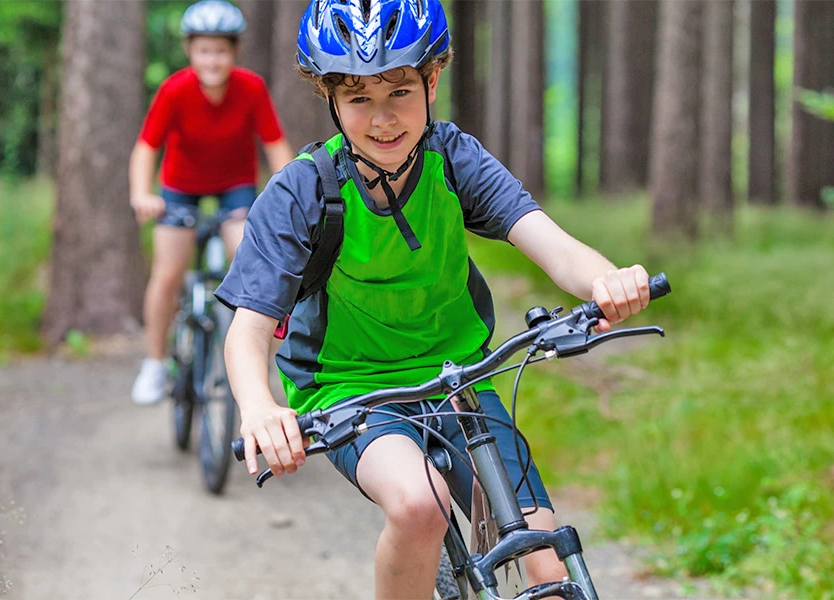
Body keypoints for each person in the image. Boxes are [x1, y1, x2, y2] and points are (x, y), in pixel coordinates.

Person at [216, 0, 651, 597]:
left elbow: (553, 246)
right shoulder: (304, 189)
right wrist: (261, 409)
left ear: (433, 79)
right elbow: (247, 332)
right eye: (359, 98)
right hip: (351, 391)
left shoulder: (454, 159)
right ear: (330, 98)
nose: (383, 118)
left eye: (399, 91)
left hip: (461, 378)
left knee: (549, 565)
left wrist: (606, 280)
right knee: (420, 504)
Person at [130, 0, 293, 405]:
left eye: (220, 50)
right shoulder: (174, 90)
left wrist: (288, 194)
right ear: (190, 51)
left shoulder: (251, 88)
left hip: (235, 187)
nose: (212, 59)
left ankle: (254, 359)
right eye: (204, 50)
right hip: (180, 188)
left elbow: (275, 146)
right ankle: (154, 363)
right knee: (168, 273)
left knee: (249, 258)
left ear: (234, 52)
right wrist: (142, 194)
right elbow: (146, 148)